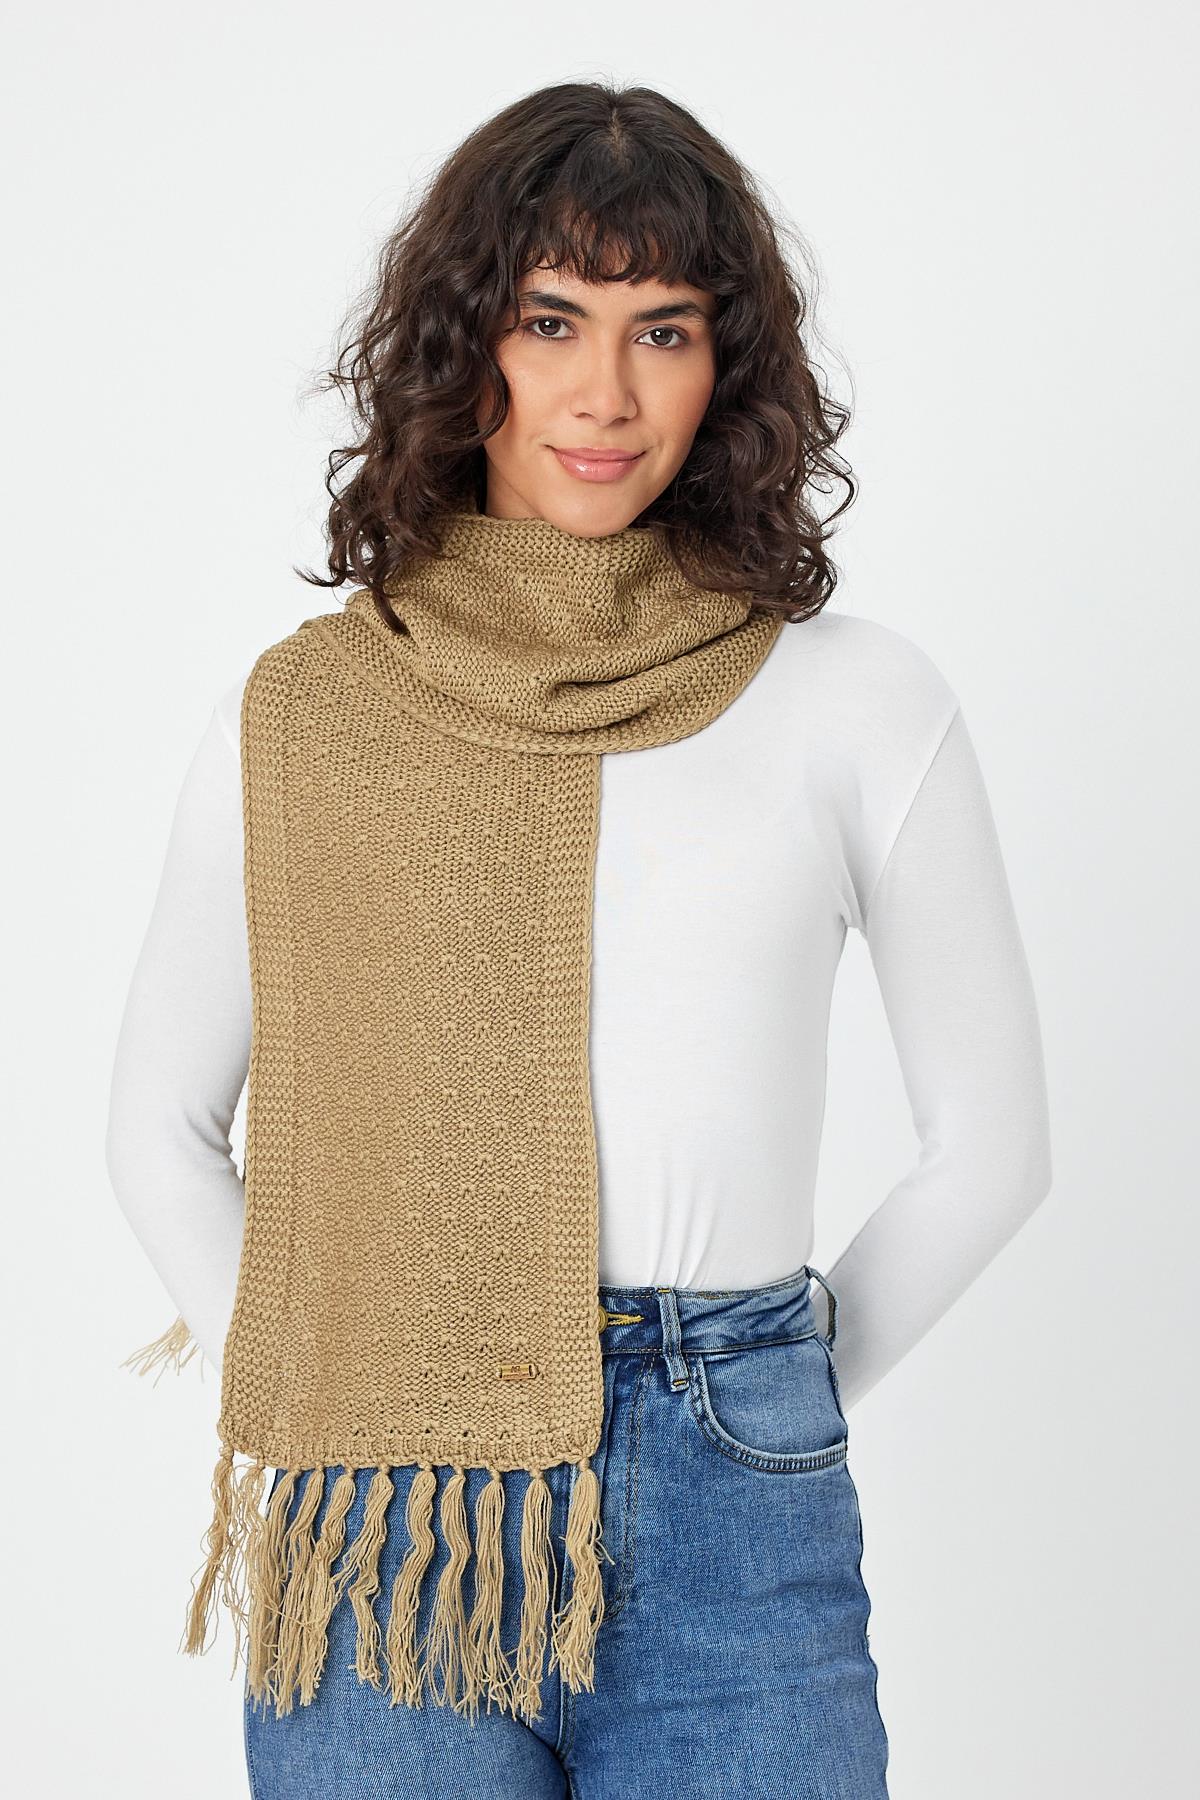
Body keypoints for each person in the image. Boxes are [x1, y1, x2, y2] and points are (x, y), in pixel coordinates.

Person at [107, 79, 1052, 1800]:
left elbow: (994, 1151)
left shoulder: (854, 701)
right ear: (465, 344)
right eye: (551, 321)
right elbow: (158, 1125)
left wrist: (759, 1395)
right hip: (385, 1516)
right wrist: (334, 1377)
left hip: (733, 1503)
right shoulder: (307, 713)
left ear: (726, 369)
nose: (605, 393)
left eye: (663, 330)